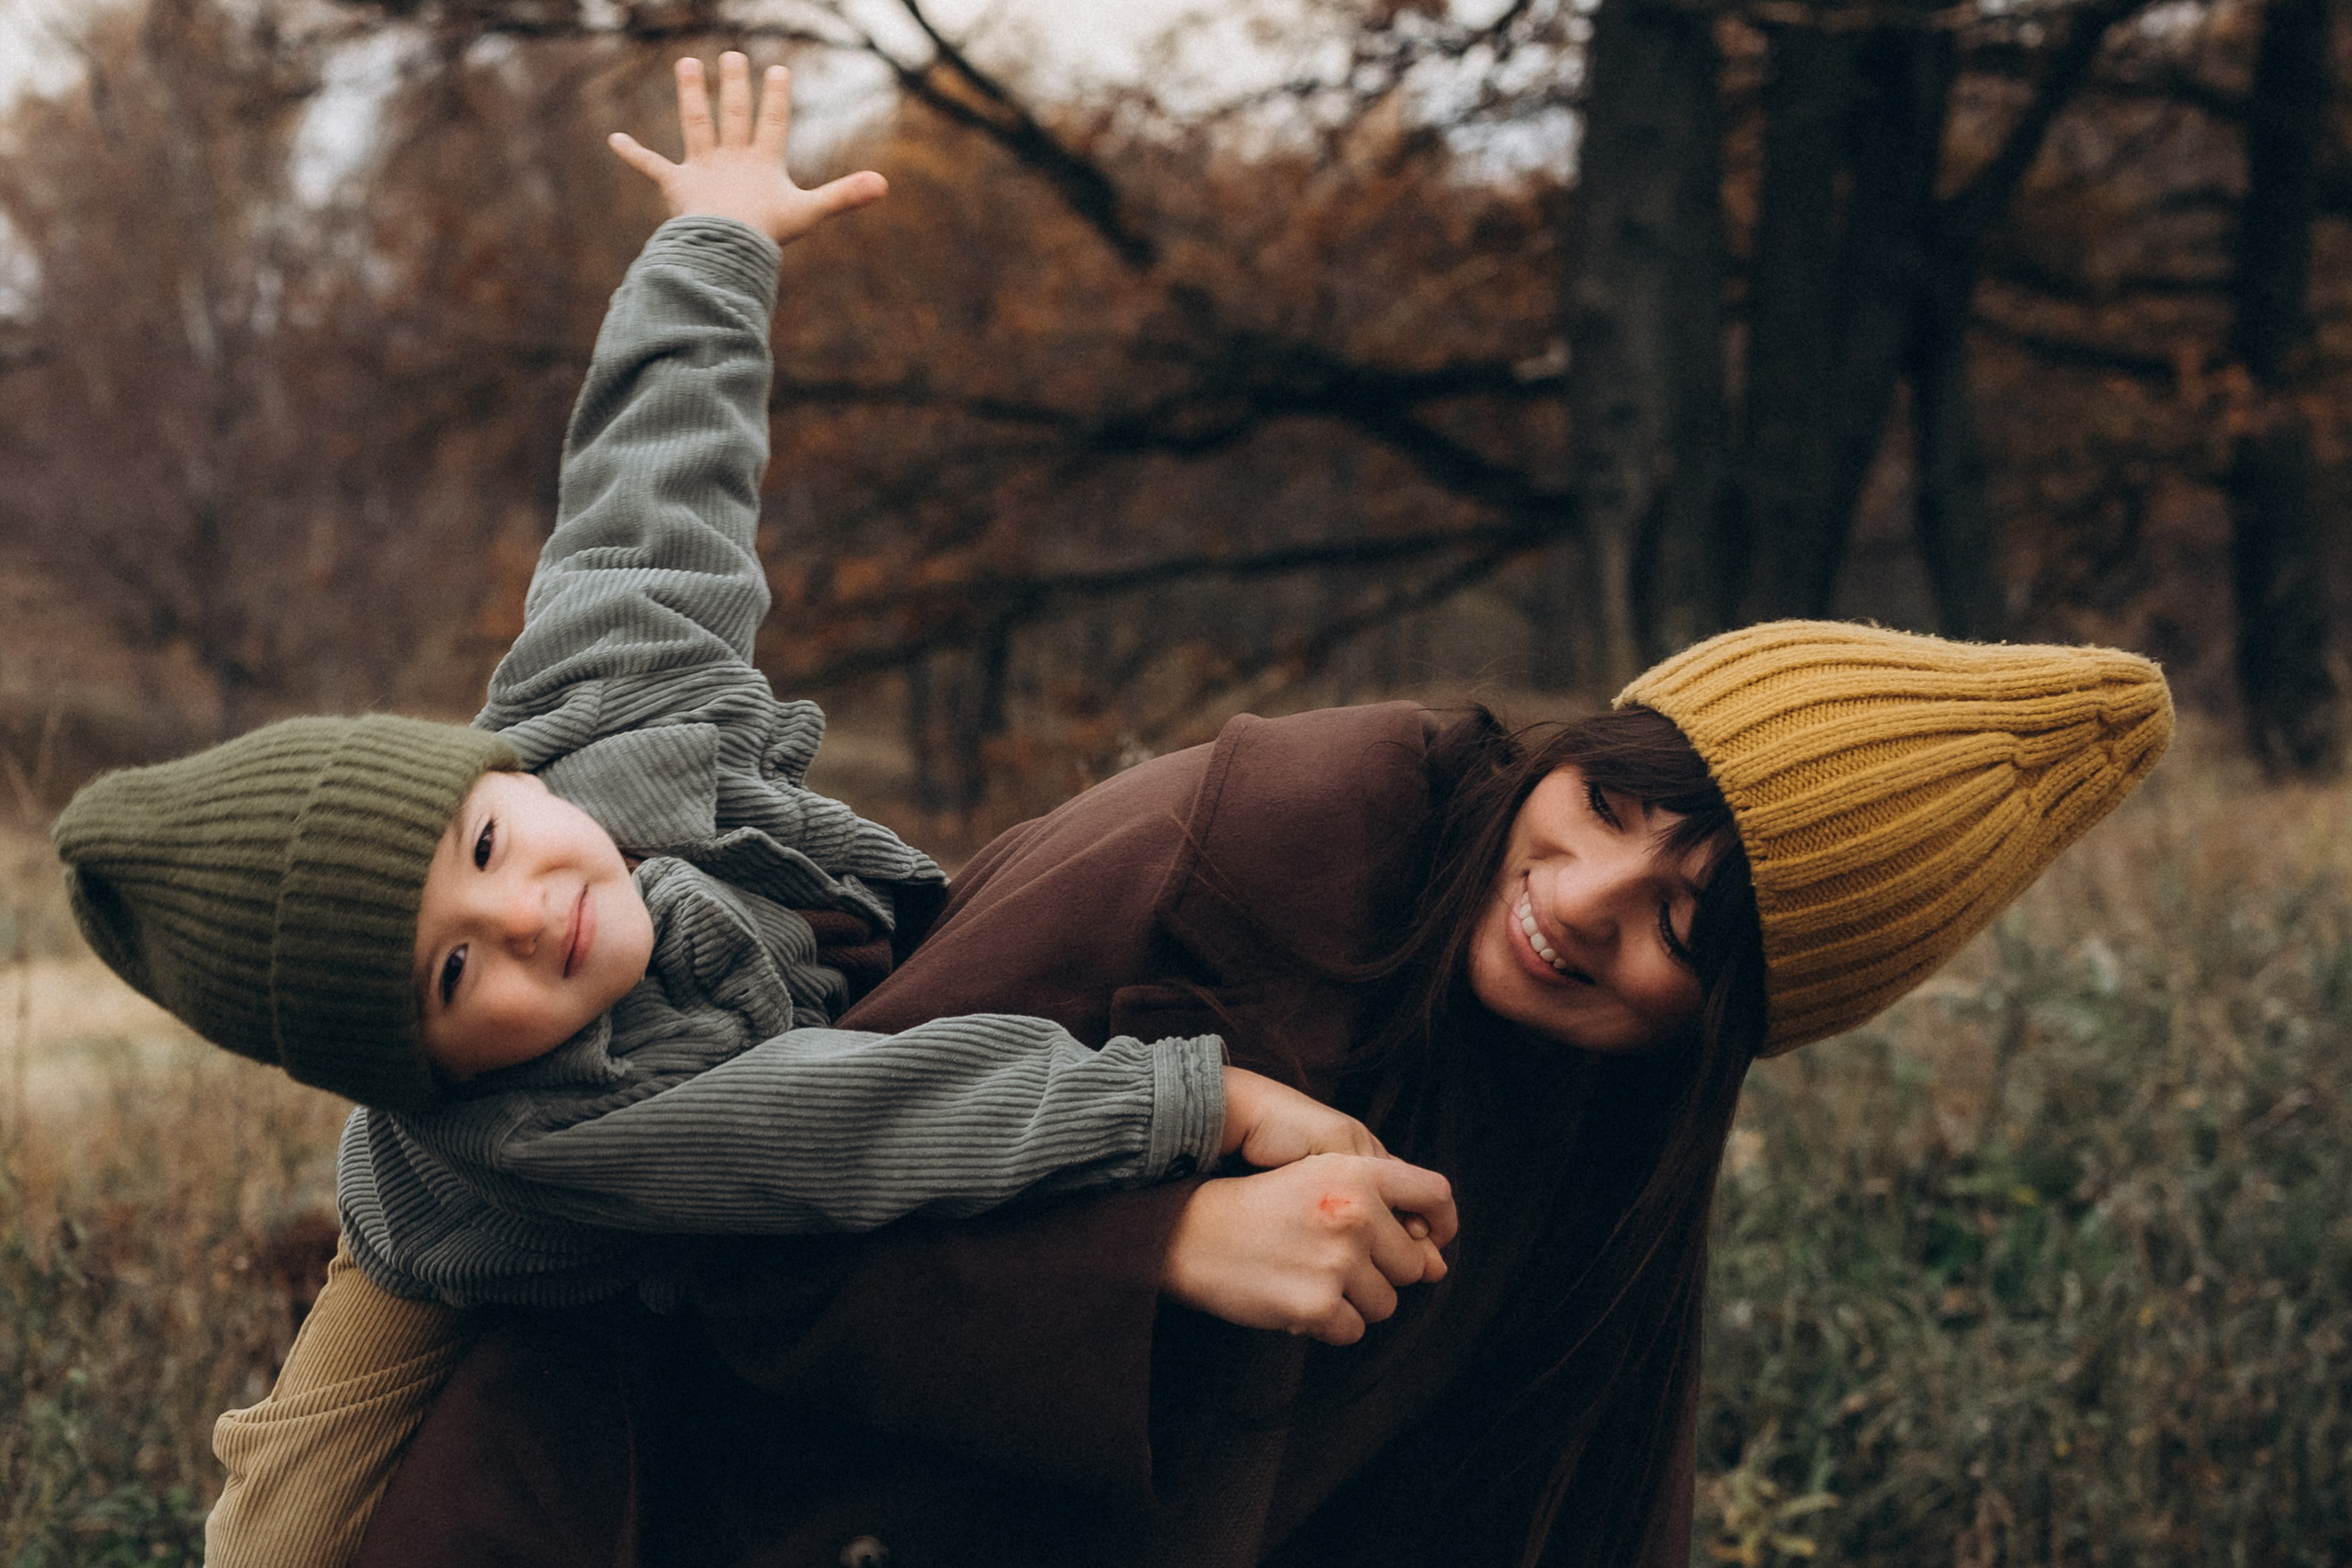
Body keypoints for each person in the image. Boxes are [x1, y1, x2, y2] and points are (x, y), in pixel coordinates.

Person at [195, 59, 2178, 1568]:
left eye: (1694, 921)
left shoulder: (1621, 1127)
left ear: (1733, 1024)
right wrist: (1169, 1225)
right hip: (606, 1416)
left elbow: (655, 520)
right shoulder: (1277, 836)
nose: (1589, 893)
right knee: (288, 1516)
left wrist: (713, 260)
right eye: (1625, 800)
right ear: (1599, 729)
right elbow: (796, 1199)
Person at [55, 50, 1411, 1397]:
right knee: (291, 1518)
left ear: (498, 772)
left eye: (479, 849)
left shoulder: (599, 703)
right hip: (459, 1262)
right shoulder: (560, 1121)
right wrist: (1195, 1100)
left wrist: (715, 239)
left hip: (747, 1045)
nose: (523, 918)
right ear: (426, 1074)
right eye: (455, 978)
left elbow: (649, 486)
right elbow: (866, 1124)